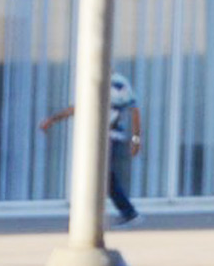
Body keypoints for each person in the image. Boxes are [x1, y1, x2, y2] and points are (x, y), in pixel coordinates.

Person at [40, 71, 144, 228]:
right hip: (98, 137)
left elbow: (134, 110)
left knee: (102, 176)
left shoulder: (117, 83)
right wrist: (53, 119)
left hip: (110, 137)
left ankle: (126, 212)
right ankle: (123, 212)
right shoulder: (99, 82)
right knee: (102, 176)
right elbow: (78, 108)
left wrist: (136, 139)